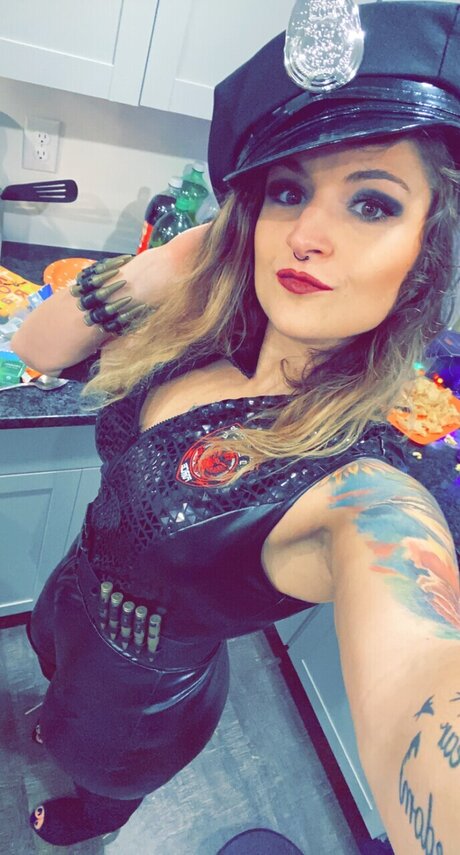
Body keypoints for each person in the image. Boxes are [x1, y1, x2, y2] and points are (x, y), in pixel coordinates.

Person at [11, 2, 460, 852]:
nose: (309, 233)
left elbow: (420, 663)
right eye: (288, 190)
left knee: (95, 780)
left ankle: (89, 819)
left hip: (139, 714)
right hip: (66, 608)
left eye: (371, 204)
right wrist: (192, 250)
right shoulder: (200, 341)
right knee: (50, 696)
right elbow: (36, 345)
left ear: (423, 257)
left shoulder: (358, 486)